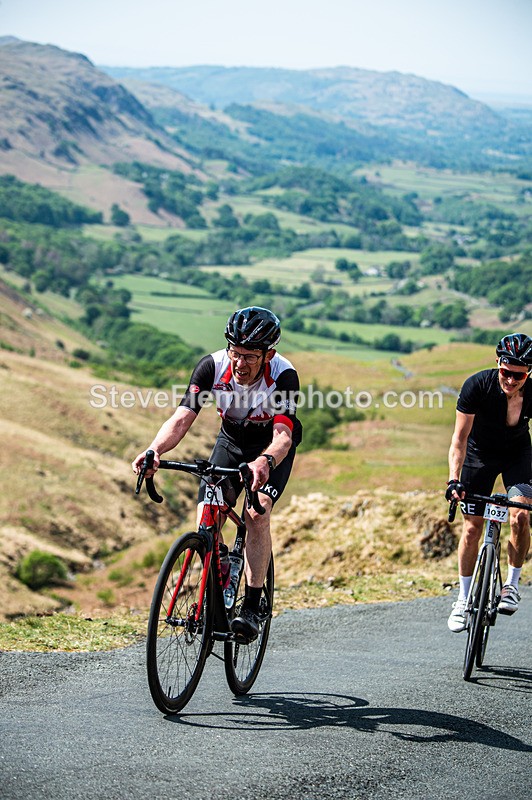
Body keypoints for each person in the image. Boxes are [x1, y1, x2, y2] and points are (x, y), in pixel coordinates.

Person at [132, 306, 302, 641]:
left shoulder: (284, 376)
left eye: (250, 356)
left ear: (269, 354)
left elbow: (283, 435)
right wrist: (155, 450)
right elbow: (183, 416)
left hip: (270, 447)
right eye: (235, 353)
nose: (240, 364)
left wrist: (264, 462)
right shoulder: (212, 366)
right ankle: (220, 562)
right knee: (207, 517)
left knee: (256, 514)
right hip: (231, 440)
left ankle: (252, 606)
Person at [446, 332, 532, 632]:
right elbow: (459, 439)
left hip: (517, 455)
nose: (511, 381)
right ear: (498, 363)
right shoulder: (477, 385)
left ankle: (511, 585)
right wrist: (453, 480)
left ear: (528, 373)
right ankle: (463, 598)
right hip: (479, 455)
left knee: (521, 515)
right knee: (472, 527)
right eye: (506, 373)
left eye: (518, 376)